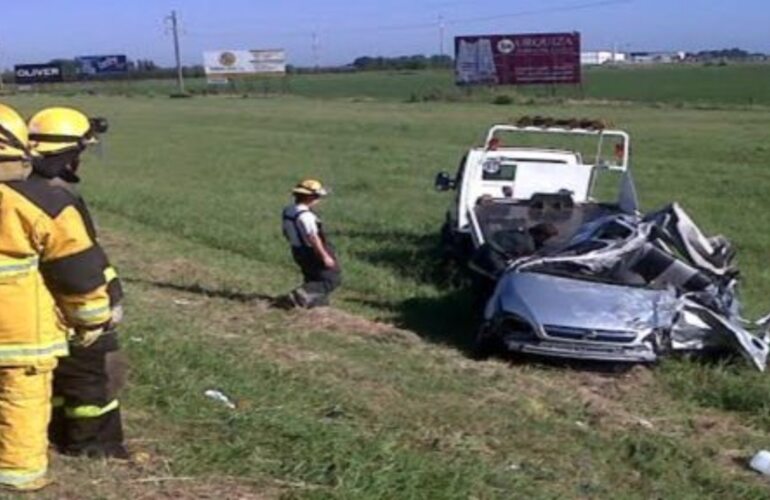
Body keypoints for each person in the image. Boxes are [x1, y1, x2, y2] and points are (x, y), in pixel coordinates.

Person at [0, 103, 113, 491]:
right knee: (22, 401)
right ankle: (18, 477)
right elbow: (78, 272)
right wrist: (91, 319)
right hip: (18, 336)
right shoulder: (43, 202)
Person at [27, 107, 128, 459]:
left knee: (53, 374)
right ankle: (94, 445)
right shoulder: (56, 196)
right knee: (94, 371)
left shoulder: (22, 188)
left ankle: (54, 428)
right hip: (66, 301)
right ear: (69, 155)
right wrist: (103, 302)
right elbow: (78, 259)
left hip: (34, 306)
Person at [281, 179, 341, 308]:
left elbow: (285, 232)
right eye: (318, 196)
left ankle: (314, 305)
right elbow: (313, 237)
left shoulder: (288, 210)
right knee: (330, 279)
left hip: (297, 250)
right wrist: (325, 256)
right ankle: (300, 294)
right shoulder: (306, 216)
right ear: (310, 197)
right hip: (312, 252)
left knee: (312, 278)